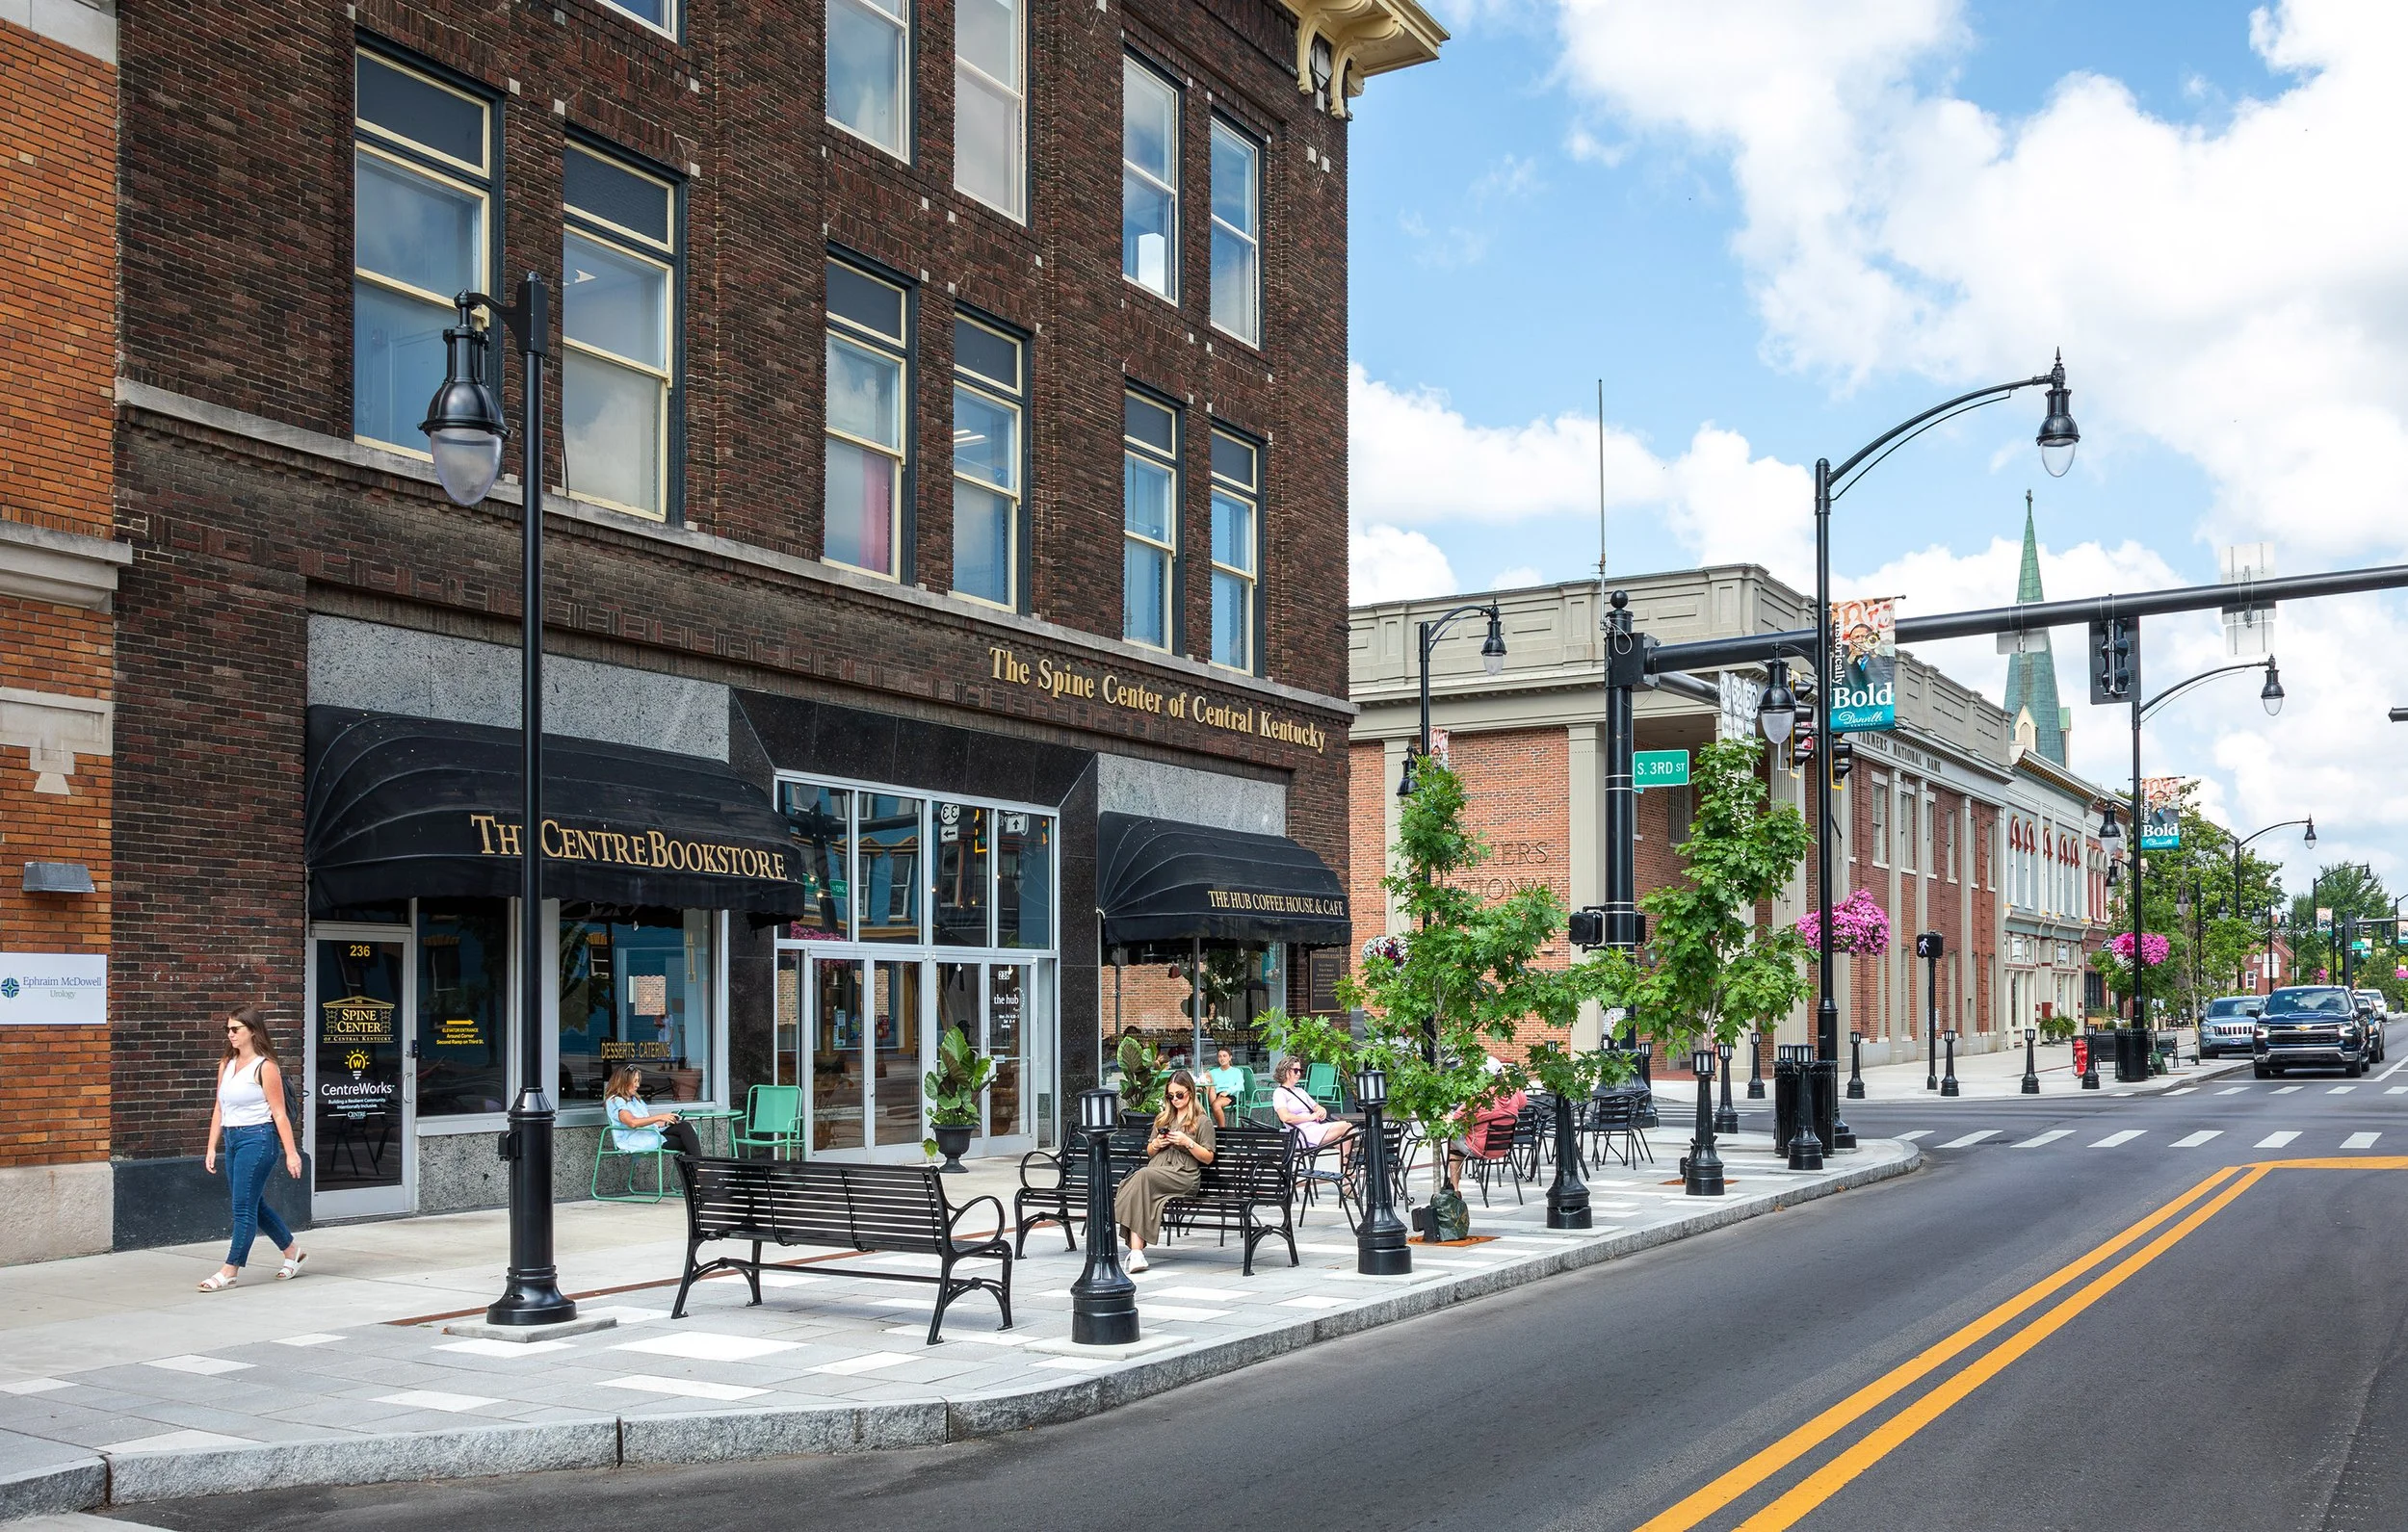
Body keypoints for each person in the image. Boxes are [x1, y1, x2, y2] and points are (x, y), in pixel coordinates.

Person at [197, 1005, 306, 1291]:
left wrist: (292, 1153)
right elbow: (219, 1108)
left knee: (242, 1207)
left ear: (253, 1031)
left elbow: (279, 1113)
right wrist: (211, 1147)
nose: (230, 1034)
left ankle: (230, 1270)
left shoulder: (265, 1066)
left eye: (236, 1029)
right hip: (233, 1140)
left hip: (258, 1140)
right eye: (228, 1030)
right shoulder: (227, 1063)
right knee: (252, 1203)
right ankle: (292, 1251)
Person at [1113, 1069, 1216, 1273]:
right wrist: (1158, 1143)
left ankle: (1125, 1237)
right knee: (1138, 1188)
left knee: (1138, 1179)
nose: (1175, 1099)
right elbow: (1150, 1151)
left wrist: (1187, 1143)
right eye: (1170, 1095)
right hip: (1158, 1169)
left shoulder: (1202, 1121)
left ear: (1191, 1092)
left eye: (1180, 1095)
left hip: (1184, 1175)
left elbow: (1208, 1157)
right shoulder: (1163, 1119)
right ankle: (1136, 1254)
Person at [604, 1065, 704, 1160]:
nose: (638, 1085)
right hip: (634, 1139)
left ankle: (696, 1171)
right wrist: (659, 1117)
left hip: (650, 1132)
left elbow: (649, 1121)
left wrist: (667, 1121)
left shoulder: (635, 1099)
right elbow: (632, 1122)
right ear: (624, 1082)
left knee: (684, 1127)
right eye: (635, 1081)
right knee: (688, 1142)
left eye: (638, 1081)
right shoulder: (616, 1100)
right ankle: (698, 1171)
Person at [1271, 1057, 1355, 1162]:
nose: (1298, 1074)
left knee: (1347, 1137)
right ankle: (1348, 1170)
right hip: (1301, 1134)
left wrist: (1322, 1110)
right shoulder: (1280, 1093)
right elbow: (1285, 1117)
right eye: (1295, 1070)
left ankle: (1346, 1172)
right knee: (1346, 1126)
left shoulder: (1300, 1091)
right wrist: (1310, 1117)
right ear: (1286, 1071)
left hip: (1314, 1129)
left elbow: (1316, 1107)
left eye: (1300, 1071)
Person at [1204, 1046, 1248, 1126]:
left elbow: (1240, 1086)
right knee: (1207, 1077)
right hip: (1214, 1095)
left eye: (1224, 1056)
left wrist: (1227, 1091)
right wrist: (1207, 1076)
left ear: (1230, 1057)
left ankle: (1222, 1129)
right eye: (1220, 1056)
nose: (1222, 1058)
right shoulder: (1213, 1072)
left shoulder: (1236, 1071)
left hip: (1229, 1096)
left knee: (1216, 1104)